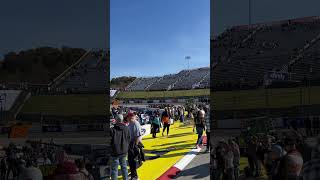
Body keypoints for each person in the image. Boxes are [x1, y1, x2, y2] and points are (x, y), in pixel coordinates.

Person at [110, 114, 131, 180]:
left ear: (116, 120)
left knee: (114, 170)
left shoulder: (112, 130)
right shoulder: (127, 128)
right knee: (124, 167)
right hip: (123, 151)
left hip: (115, 152)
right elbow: (129, 139)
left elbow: (109, 142)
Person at [127, 112, 142, 180]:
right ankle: (133, 172)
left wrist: (135, 145)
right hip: (130, 144)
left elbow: (138, 136)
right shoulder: (130, 123)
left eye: (129, 117)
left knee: (132, 160)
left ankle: (135, 176)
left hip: (133, 144)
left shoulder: (135, 123)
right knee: (130, 161)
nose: (127, 118)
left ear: (131, 117)